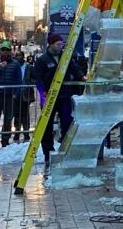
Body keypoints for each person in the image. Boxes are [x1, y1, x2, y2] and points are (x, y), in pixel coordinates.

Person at [34, 34, 85, 163]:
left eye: (61, 44)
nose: (60, 46)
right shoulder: (42, 60)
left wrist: (82, 77)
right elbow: (38, 79)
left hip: (64, 96)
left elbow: (75, 69)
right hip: (49, 97)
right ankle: (48, 152)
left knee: (67, 122)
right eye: (58, 44)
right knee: (47, 126)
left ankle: (65, 149)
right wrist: (42, 92)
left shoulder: (66, 58)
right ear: (51, 45)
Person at [0, 41, 22, 150]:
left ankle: (5, 139)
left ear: (10, 51)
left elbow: (18, 80)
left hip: (9, 96)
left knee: (8, 119)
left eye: (7, 50)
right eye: (3, 50)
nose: (5, 52)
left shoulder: (15, 64)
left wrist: (16, 94)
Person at [12, 50, 34, 143]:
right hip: (15, 93)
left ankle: (26, 132)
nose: (18, 57)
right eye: (16, 55)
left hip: (25, 92)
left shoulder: (28, 67)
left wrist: (29, 83)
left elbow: (33, 77)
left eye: (19, 55)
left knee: (25, 113)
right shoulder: (13, 67)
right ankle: (17, 132)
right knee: (16, 113)